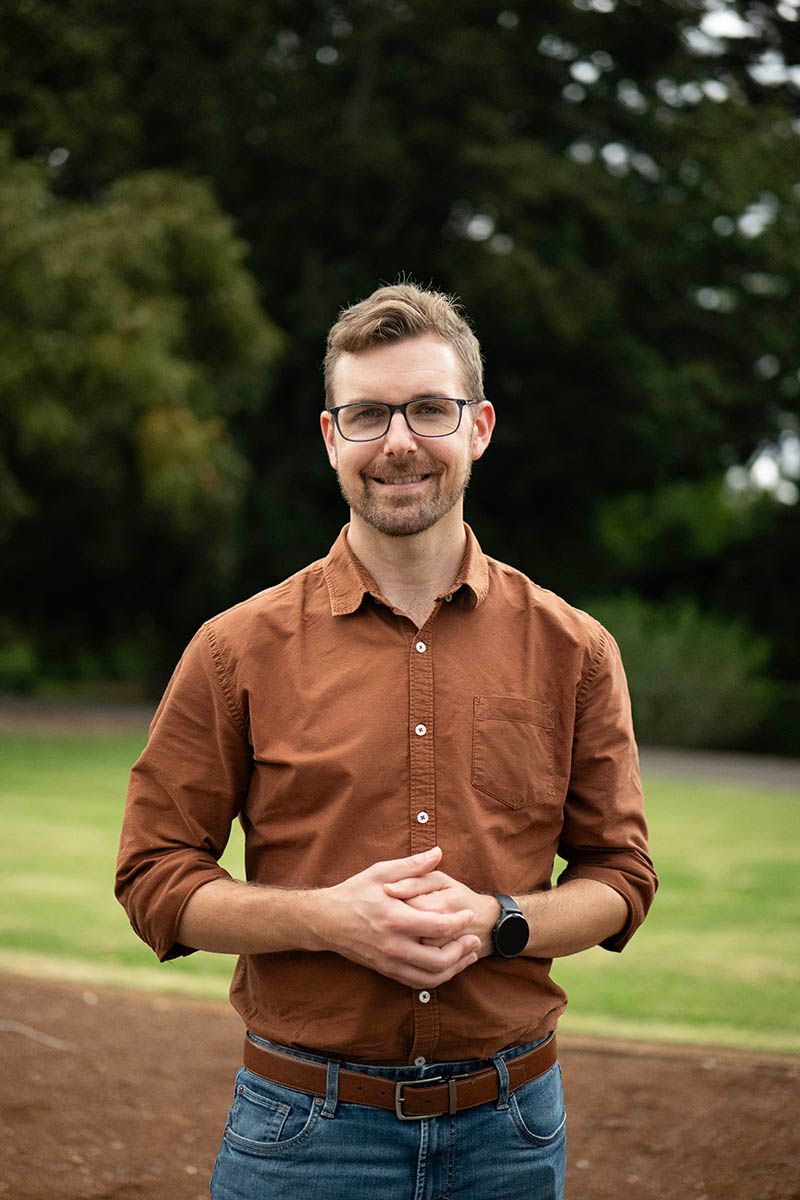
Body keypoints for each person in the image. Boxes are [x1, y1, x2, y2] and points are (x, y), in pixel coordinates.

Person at [115, 281, 657, 1200]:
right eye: (367, 414)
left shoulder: (576, 648)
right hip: (303, 1130)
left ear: (478, 427)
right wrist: (328, 920)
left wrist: (498, 923)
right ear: (333, 439)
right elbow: (154, 878)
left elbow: (622, 878)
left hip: (512, 1133)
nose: (398, 441)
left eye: (427, 410)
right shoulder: (234, 649)